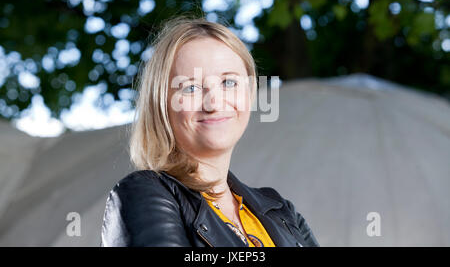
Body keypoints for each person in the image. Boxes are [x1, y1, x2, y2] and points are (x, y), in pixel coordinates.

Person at [100, 15, 319, 247]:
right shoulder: (143, 194)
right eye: (191, 87)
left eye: (229, 83)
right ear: (161, 105)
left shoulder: (282, 212)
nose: (214, 104)